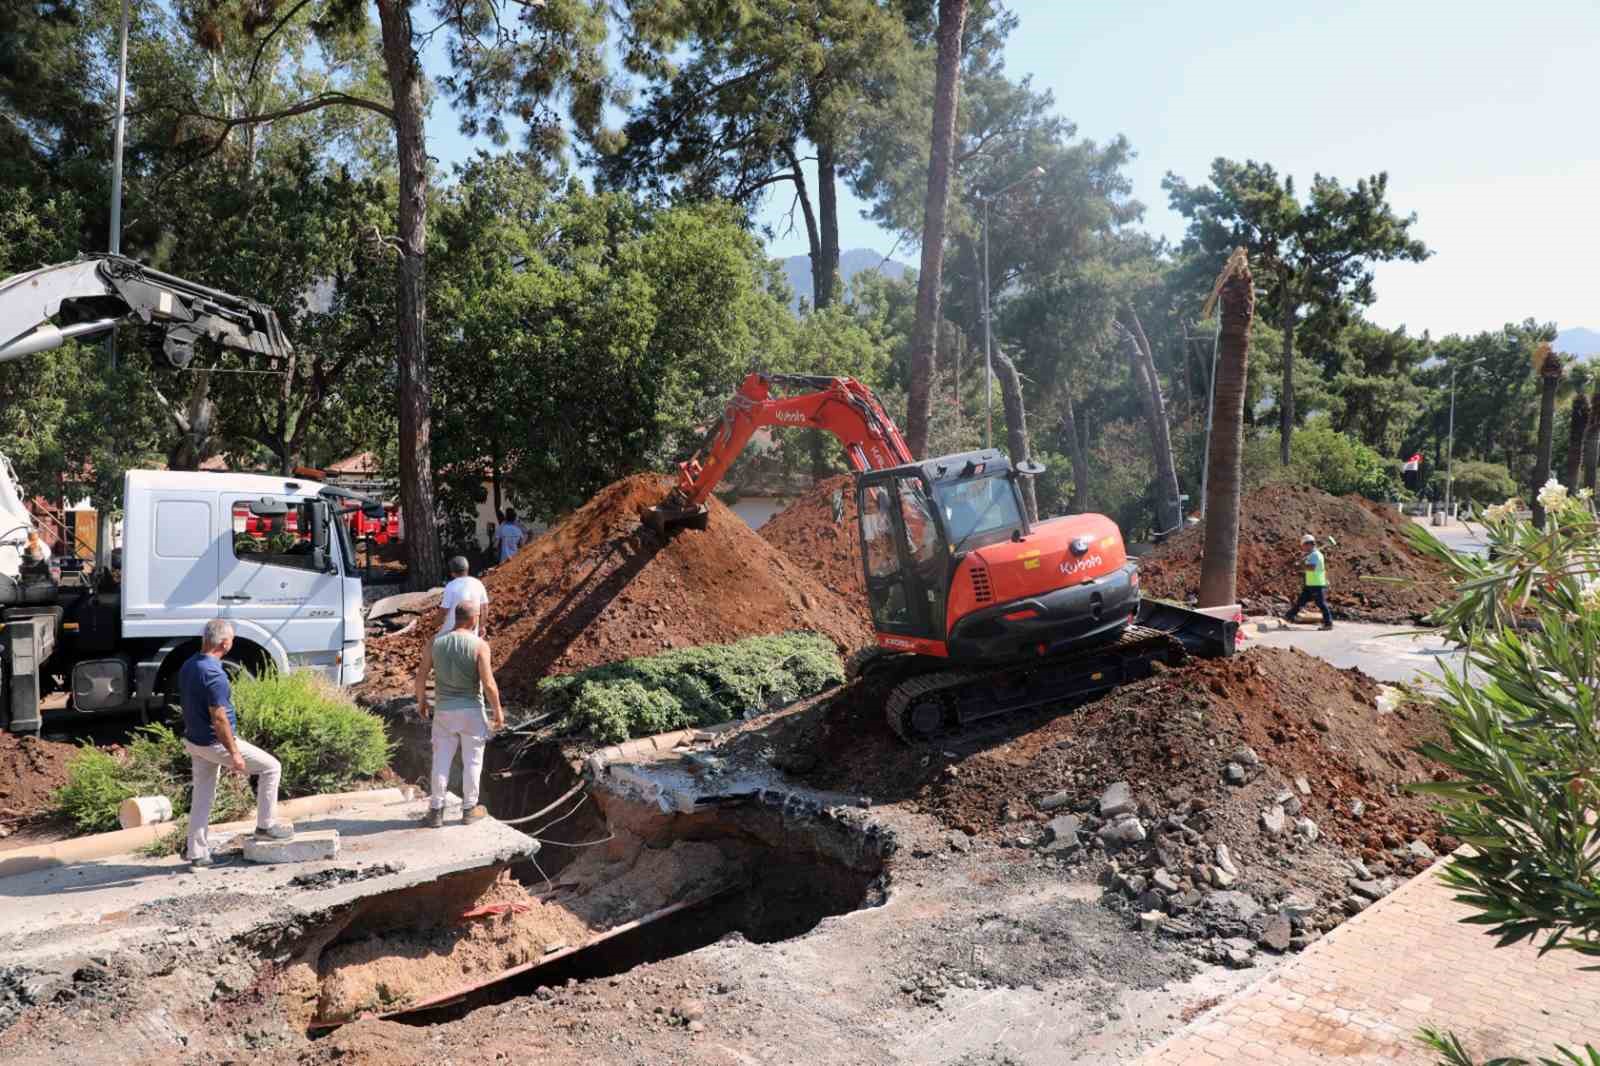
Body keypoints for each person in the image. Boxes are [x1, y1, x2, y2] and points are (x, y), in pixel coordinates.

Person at [180, 619, 293, 866]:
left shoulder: (190, 665)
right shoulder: (213, 673)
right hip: (214, 742)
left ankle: (197, 854)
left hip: (194, 740)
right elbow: (219, 718)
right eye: (231, 639)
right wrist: (235, 754)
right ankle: (266, 826)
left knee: (202, 796)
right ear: (225, 643)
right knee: (271, 767)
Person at [415, 598, 504, 827]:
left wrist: (422, 701)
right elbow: (489, 683)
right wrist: (498, 712)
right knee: (473, 761)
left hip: (444, 711)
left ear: (456, 617)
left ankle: (436, 811)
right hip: (472, 712)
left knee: (441, 761)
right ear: (474, 619)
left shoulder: (435, 642)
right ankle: (469, 810)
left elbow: (421, 675)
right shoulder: (479, 645)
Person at [1284, 533, 1334, 630]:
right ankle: (1289, 616)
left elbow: (1312, 568)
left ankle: (1328, 623)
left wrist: (1300, 565)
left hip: (1317, 584)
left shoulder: (1315, 555)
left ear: (1308, 544)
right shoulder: (1311, 555)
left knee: (1321, 603)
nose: (1303, 548)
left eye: (1303, 546)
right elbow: (1308, 566)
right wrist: (1302, 562)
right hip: (1310, 583)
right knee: (1301, 601)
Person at [437, 555, 489, 637]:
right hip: (472, 634)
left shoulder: (451, 586)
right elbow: (485, 607)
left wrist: (433, 625)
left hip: (451, 633)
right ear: (467, 569)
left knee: (433, 645)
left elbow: (444, 611)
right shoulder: (478, 583)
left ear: (452, 573)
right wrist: (482, 627)